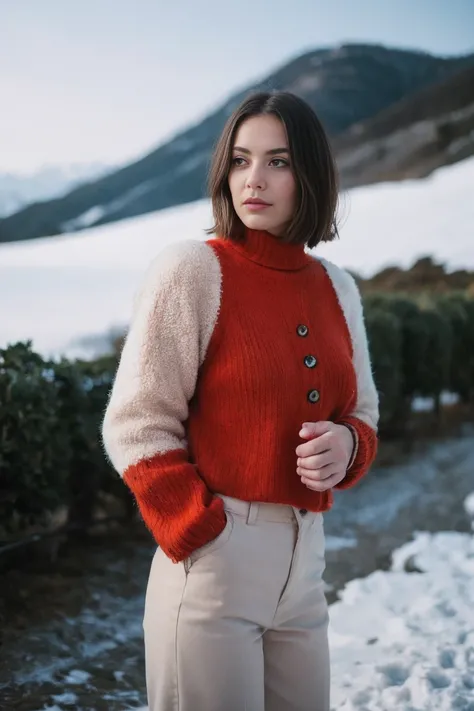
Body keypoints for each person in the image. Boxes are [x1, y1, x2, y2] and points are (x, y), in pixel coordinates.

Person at [102, 91, 379, 711]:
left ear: (311, 175)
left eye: (278, 161)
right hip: (213, 561)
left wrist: (350, 445)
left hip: (306, 566)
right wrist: (197, 528)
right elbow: (137, 421)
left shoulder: (339, 287)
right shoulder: (192, 270)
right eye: (240, 159)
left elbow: (363, 413)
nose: (254, 180)